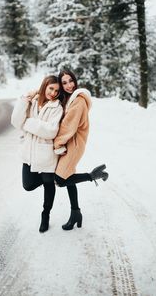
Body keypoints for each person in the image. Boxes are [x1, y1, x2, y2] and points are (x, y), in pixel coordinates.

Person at [53, 69, 108, 230]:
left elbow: (67, 127)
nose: (69, 85)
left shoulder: (78, 100)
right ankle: (76, 213)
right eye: (64, 83)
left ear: (75, 80)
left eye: (71, 81)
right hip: (71, 142)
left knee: (61, 179)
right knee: (68, 177)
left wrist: (57, 144)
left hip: (74, 144)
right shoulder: (69, 98)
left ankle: (93, 175)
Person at [11, 75, 63, 233]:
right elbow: (15, 121)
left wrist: (27, 123)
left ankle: (45, 215)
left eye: (56, 90)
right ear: (44, 86)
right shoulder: (31, 102)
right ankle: (52, 178)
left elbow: (51, 131)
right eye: (51, 88)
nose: (53, 93)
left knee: (48, 184)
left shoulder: (57, 107)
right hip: (28, 152)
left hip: (46, 154)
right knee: (28, 185)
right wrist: (24, 99)